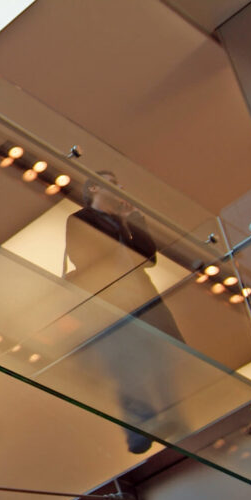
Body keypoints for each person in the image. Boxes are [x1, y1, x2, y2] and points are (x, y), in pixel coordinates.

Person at [64, 172, 185, 454]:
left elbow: (149, 257)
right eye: (114, 183)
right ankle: (139, 428)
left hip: (141, 296)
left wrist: (135, 220)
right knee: (125, 363)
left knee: (163, 356)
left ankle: (175, 417)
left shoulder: (124, 221)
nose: (120, 188)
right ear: (94, 187)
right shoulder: (81, 219)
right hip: (110, 300)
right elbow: (82, 257)